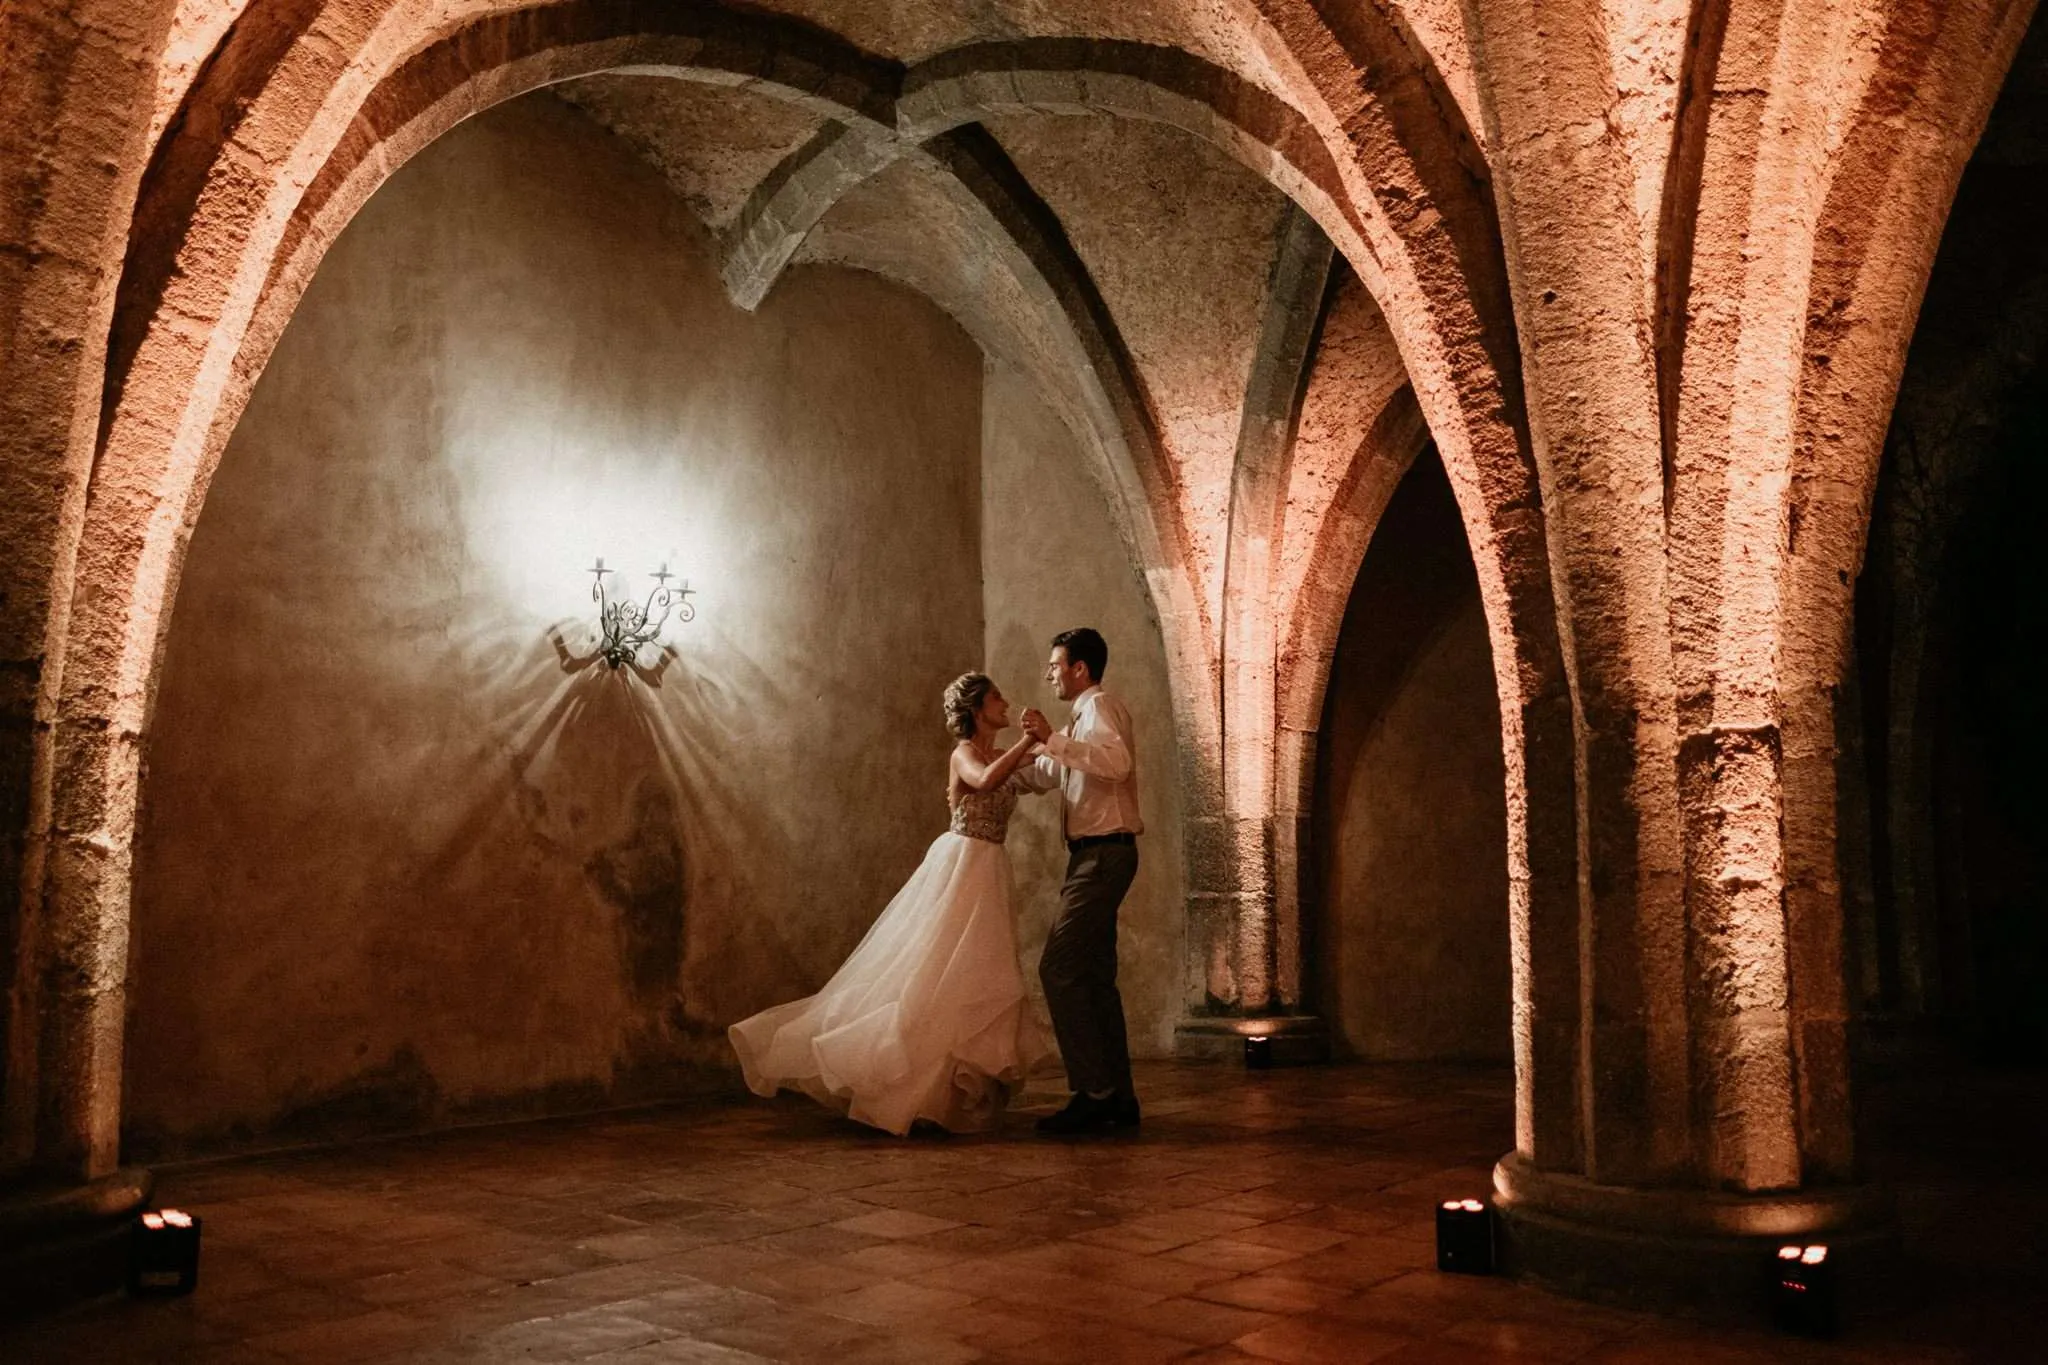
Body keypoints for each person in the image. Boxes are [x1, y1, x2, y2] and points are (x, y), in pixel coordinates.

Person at [728, 673, 1054, 1134]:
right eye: (997, 697)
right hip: (961, 864)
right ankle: (894, 1076)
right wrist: (1027, 741)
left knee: (973, 972)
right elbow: (983, 780)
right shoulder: (965, 754)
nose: (1006, 702)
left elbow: (1042, 765)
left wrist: (1054, 743)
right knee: (931, 967)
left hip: (990, 869)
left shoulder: (1002, 755)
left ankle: (943, 1092)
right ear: (978, 710)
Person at [1016, 627, 1144, 1135]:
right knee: (1093, 979)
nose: (1050, 673)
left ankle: (1093, 1093)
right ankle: (1119, 1098)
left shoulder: (1101, 707)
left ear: (1080, 669)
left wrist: (1050, 737)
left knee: (1059, 969)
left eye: (1055, 665)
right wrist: (996, 777)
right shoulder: (1080, 719)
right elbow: (1051, 771)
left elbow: (1115, 763)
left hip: (1104, 855)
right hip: (1092, 857)